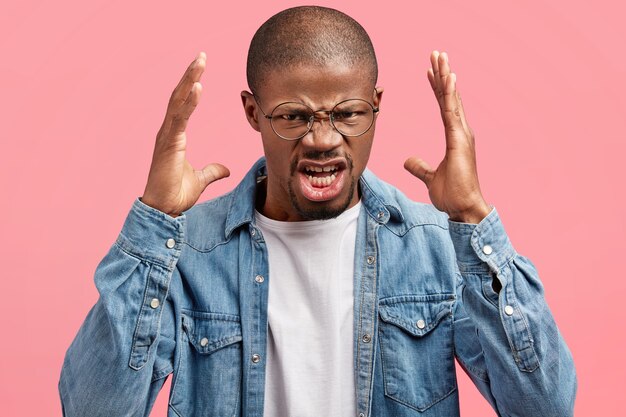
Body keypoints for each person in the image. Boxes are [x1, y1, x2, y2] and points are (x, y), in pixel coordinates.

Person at [58, 6, 576, 417]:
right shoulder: (187, 252)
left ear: (376, 105)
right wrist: (153, 224)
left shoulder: (435, 247)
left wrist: (471, 219)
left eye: (348, 114)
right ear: (252, 111)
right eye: (294, 117)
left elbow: (544, 408)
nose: (323, 139)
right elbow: (93, 410)